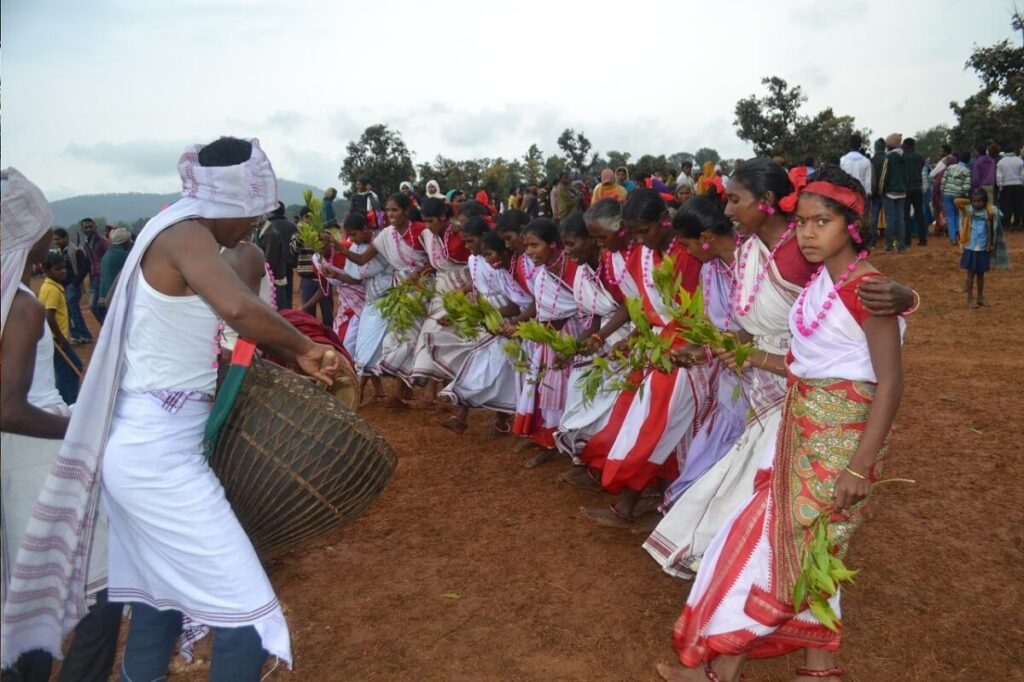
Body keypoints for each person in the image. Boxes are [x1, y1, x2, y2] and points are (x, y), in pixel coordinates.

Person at [2, 139, 342, 681]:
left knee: (157, 603)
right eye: (254, 207)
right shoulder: (187, 234)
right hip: (155, 459)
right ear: (233, 197)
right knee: (247, 614)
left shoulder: (172, 233)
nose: (254, 220)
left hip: (143, 451)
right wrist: (303, 348)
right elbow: (236, 306)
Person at [659, 166, 905, 682]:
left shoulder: (870, 290)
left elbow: (889, 383)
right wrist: (742, 357)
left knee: (768, 546)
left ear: (852, 227)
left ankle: (723, 668)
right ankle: (819, 667)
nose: (809, 234)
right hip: (800, 426)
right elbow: (802, 363)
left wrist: (858, 468)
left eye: (823, 222)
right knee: (813, 550)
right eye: (803, 223)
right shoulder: (819, 283)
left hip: (841, 444)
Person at [1, 168, 123, 682]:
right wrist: (81, 429)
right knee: (102, 587)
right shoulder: (21, 307)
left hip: (14, 463)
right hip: (35, 462)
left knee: (24, 598)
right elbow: (8, 407)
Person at [576, 190, 709, 528]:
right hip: (662, 344)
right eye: (632, 233)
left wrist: (689, 346)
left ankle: (633, 504)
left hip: (689, 348)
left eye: (642, 232)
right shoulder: (642, 256)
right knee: (653, 422)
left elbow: (702, 311)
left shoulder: (687, 254)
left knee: (655, 424)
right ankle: (655, 499)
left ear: (664, 222)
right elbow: (643, 310)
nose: (638, 240)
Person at [643, 196, 747, 552]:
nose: (684, 252)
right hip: (733, 380)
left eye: (686, 244)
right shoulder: (710, 269)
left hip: (764, 378)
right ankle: (706, 535)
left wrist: (712, 349)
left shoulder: (756, 262)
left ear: (705, 237)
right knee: (716, 459)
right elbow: (713, 329)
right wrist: (697, 350)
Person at [438, 220, 531, 434]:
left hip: (505, 321)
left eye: (471, 241)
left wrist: (490, 315)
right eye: (466, 241)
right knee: (494, 370)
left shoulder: (497, 264)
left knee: (491, 369)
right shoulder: (474, 260)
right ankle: (494, 420)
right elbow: (480, 287)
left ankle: (468, 414)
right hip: (492, 320)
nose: (468, 246)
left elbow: (516, 302)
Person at [337, 192, 429, 405]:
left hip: (424, 290)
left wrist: (421, 272)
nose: (390, 214)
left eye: (394, 210)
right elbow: (361, 260)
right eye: (388, 210)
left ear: (406, 211)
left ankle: (408, 391)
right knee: (402, 339)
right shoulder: (386, 235)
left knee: (413, 339)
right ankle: (400, 391)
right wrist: (339, 247)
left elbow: (436, 260)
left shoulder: (421, 231)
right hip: (402, 292)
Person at [507, 218, 581, 465]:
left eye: (535, 245)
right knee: (546, 389)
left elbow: (571, 309)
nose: (529, 251)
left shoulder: (570, 268)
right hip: (548, 337)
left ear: (552, 245)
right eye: (527, 246)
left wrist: (523, 330)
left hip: (570, 338)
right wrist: (520, 325)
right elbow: (541, 306)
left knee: (564, 391)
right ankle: (547, 438)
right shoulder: (543, 272)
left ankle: (564, 444)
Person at [409, 198, 474, 407]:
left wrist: (464, 290)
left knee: (458, 338)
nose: (427, 226)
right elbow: (433, 260)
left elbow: (480, 259)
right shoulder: (426, 235)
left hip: (466, 290)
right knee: (433, 332)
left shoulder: (462, 233)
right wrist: (420, 272)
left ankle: (453, 390)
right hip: (441, 289)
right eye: (424, 221)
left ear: (443, 217)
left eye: (431, 221)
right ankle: (434, 389)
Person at [38, 252, 84, 405]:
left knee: (69, 369)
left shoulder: (53, 286)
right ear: (47, 270)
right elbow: (49, 315)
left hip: (56, 338)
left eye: (64, 268)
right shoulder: (50, 289)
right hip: (56, 340)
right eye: (58, 269)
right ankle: (69, 402)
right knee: (70, 369)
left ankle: (69, 401)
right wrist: (61, 338)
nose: (63, 271)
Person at [955, 188, 1001, 308]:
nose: (977, 204)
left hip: (983, 248)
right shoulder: (969, 211)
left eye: (980, 201)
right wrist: (968, 201)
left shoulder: (989, 213)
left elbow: (994, 225)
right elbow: (957, 201)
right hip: (970, 247)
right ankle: (970, 298)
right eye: (974, 201)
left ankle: (980, 297)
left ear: (985, 202)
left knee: (981, 275)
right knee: (970, 275)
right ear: (971, 202)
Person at [52, 227, 93, 343]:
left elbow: (83, 268)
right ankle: (76, 335)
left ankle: (84, 335)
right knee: (68, 312)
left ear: (66, 238)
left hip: (72, 286)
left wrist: (74, 283)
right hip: (63, 286)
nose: (56, 242)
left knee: (73, 311)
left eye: (58, 239)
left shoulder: (75, 251)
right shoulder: (60, 252)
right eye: (54, 240)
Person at [260, 201, 295, 308]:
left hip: (273, 271)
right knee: (287, 294)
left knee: (276, 298)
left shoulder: (270, 228)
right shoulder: (291, 226)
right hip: (288, 265)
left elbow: (269, 257)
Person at [878, 133, 909, 252]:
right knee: (901, 219)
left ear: (890, 145)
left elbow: (884, 176)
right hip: (902, 192)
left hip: (889, 192)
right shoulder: (905, 157)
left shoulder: (889, 158)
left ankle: (889, 245)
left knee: (890, 219)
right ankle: (901, 246)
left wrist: (881, 189)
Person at [78, 217, 109, 325]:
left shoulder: (102, 242)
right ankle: (105, 327)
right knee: (92, 305)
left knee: (102, 305)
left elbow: (108, 257)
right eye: (85, 227)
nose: (88, 229)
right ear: (82, 230)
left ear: (95, 227)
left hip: (103, 278)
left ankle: (108, 328)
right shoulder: (85, 244)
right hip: (93, 278)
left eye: (90, 227)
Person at [940, 154, 972, 244]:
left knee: (950, 216)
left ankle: (952, 238)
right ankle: (960, 235)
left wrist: (943, 191)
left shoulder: (950, 168)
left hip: (947, 194)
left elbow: (943, 181)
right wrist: (963, 193)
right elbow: (967, 186)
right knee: (959, 216)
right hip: (958, 195)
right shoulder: (967, 170)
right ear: (968, 161)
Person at [901, 138, 927, 245]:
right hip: (917, 188)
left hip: (906, 189)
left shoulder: (902, 157)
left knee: (905, 215)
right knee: (919, 214)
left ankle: (907, 240)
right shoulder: (920, 157)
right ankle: (923, 239)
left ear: (906, 145)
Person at [99, 227, 132, 304]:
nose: (129, 243)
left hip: (106, 295)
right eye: (128, 241)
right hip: (117, 297)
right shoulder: (122, 255)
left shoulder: (108, 253)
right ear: (124, 242)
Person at [840, 135, 872, 208]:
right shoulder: (866, 161)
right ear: (860, 145)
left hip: (846, 195)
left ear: (849, 144)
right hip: (860, 195)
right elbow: (868, 183)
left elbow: (840, 179)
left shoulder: (842, 160)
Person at [996, 145, 1023, 229]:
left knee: (1006, 206)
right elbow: (1023, 175)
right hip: (1018, 185)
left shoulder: (1001, 162)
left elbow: (999, 176)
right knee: (1018, 205)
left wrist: (1000, 187)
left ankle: (1007, 224)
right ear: (1013, 151)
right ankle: (1017, 224)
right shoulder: (1020, 161)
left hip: (1006, 186)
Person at [868, 138, 887, 246]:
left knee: (874, 216)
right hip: (886, 191)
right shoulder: (887, 159)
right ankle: (890, 239)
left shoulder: (871, 160)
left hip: (875, 192)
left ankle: (873, 240)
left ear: (875, 148)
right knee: (889, 215)